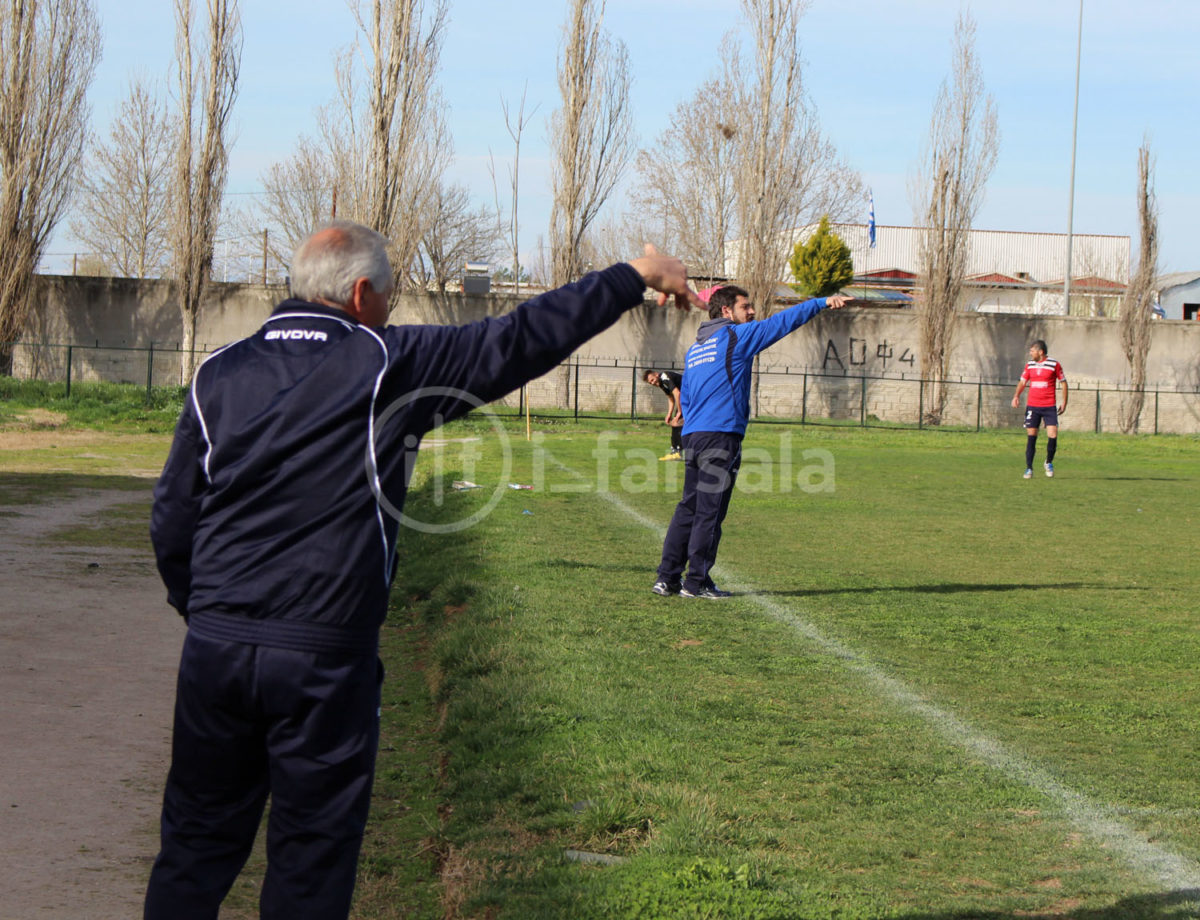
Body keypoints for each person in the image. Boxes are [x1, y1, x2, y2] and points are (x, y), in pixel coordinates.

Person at [144, 220, 700, 920]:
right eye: (390, 294)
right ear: (360, 293)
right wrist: (630, 276)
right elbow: (519, 339)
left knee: (194, 845)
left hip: (216, 651)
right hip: (322, 658)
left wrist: (207, 612)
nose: (391, 307)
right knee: (310, 860)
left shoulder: (216, 372)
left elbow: (173, 515)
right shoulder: (387, 363)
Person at [653, 285, 849, 598]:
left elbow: (686, 396)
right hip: (720, 435)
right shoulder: (735, 337)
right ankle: (697, 582)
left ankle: (667, 579)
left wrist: (693, 422)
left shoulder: (695, 350)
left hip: (694, 436)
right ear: (727, 311)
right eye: (746, 306)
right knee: (709, 512)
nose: (753, 312)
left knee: (689, 507)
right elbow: (782, 323)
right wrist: (820, 302)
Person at [1011, 339, 1068, 479]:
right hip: (1033, 406)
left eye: (1032, 351)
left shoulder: (1054, 364)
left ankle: (1048, 462)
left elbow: (1064, 383)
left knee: (1053, 434)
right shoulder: (1029, 365)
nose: (1030, 353)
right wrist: (1016, 396)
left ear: (1040, 352)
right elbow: (1023, 381)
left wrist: (1064, 402)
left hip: (1049, 406)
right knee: (1031, 437)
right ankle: (1029, 468)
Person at [642, 368, 684, 460]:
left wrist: (679, 412)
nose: (652, 383)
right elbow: (671, 399)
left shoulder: (664, 377)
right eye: (650, 383)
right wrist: (669, 414)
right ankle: (676, 451)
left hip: (691, 395)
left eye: (652, 380)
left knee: (677, 423)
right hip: (686, 397)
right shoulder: (661, 384)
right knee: (676, 423)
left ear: (656, 374)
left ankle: (677, 452)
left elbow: (677, 393)